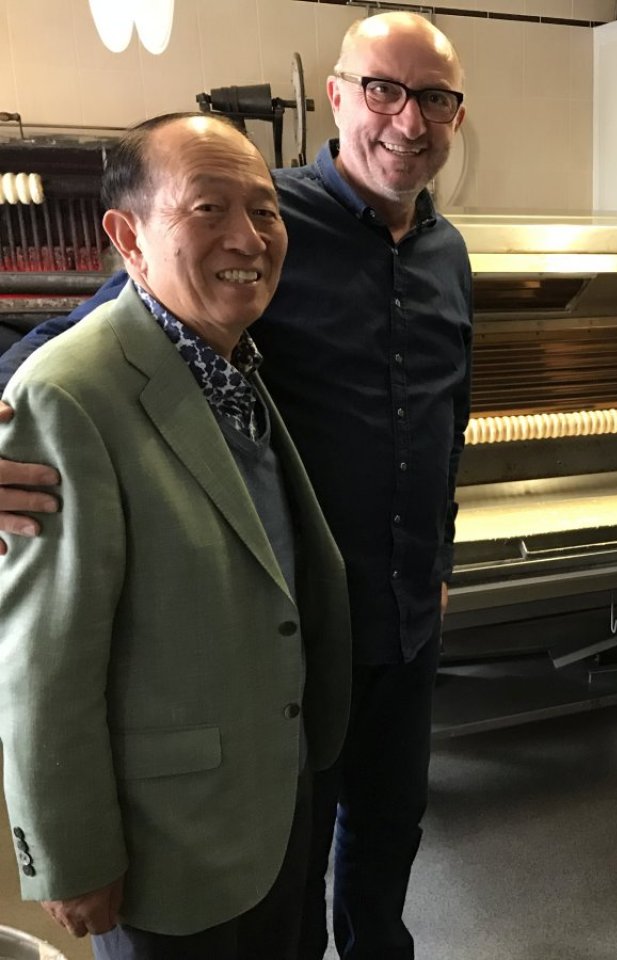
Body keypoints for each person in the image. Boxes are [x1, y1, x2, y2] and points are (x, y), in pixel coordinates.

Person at [0, 12, 471, 959]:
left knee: (385, 844)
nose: (407, 121)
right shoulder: (263, 221)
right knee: (282, 855)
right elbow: (82, 347)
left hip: (405, 618)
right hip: (287, 634)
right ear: (337, 97)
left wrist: (440, 555)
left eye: (435, 99)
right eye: (383, 89)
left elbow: (443, 419)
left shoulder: (447, 251)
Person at [0, 113, 351, 957]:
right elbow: (43, 661)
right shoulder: (70, 394)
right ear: (128, 234)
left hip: (271, 795)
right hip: (166, 838)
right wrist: (72, 855)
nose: (249, 236)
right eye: (208, 208)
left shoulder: (232, 359)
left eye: (266, 212)